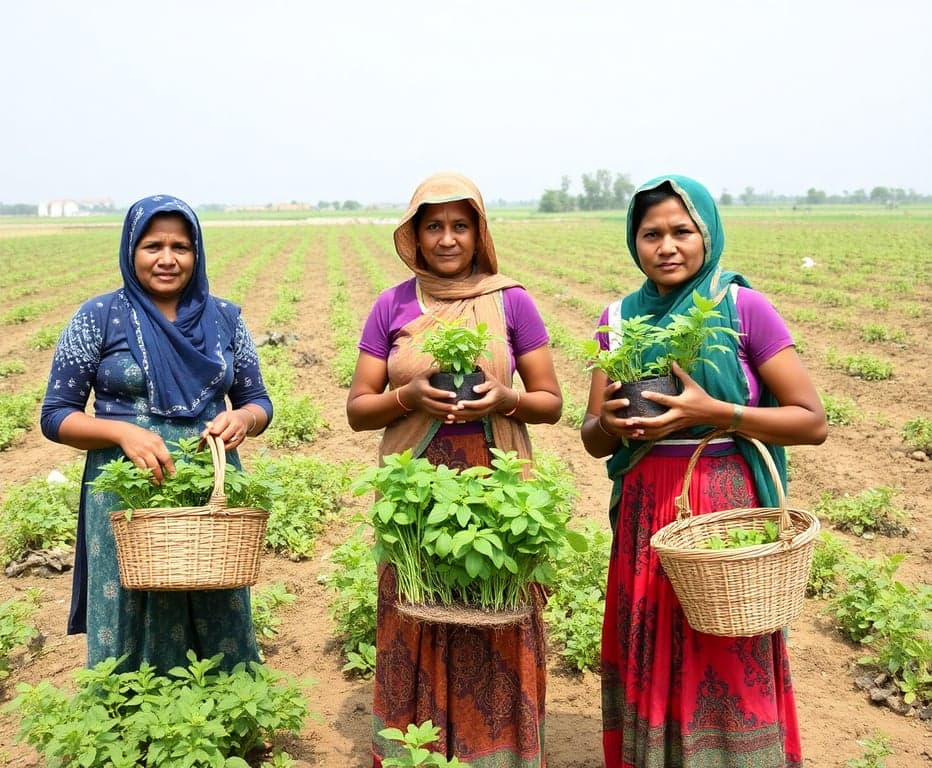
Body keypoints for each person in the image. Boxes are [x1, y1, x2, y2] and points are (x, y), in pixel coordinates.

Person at [580, 175, 827, 768]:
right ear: (633, 242)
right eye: (650, 234)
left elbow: (811, 420)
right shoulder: (618, 321)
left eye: (682, 231)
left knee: (722, 639)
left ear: (708, 233)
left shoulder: (742, 306)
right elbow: (590, 437)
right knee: (656, 642)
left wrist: (716, 413)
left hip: (723, 510)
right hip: (647, 508)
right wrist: (612, 423)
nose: (666, 246)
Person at [346, 172, 563, 767]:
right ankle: (419, 751)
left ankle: (501, 753)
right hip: (415, 488)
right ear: (414, 234)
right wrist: (407, 397)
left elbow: (550, 401)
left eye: (459, 226)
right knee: (414, 611)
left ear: (479, 232)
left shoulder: (510, 300)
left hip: (495, 481)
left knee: (498, 610)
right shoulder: (391, 305)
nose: (447, 239)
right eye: (433, 226)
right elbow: (358, 410)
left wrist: (504, 398)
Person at [40, 194, 273, 673]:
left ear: (196, 252)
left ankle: (226, 723)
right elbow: (56, 415)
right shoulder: (98, 317)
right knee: (128, 608)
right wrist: (121, 434)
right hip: (124, 489)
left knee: (216, 603)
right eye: (152, 246)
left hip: (208, 489)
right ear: (131, 250)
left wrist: (244, 420)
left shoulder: (225, 319)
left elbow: (259, 401)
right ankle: (125, 725)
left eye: (180, 247)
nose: (167, 259)